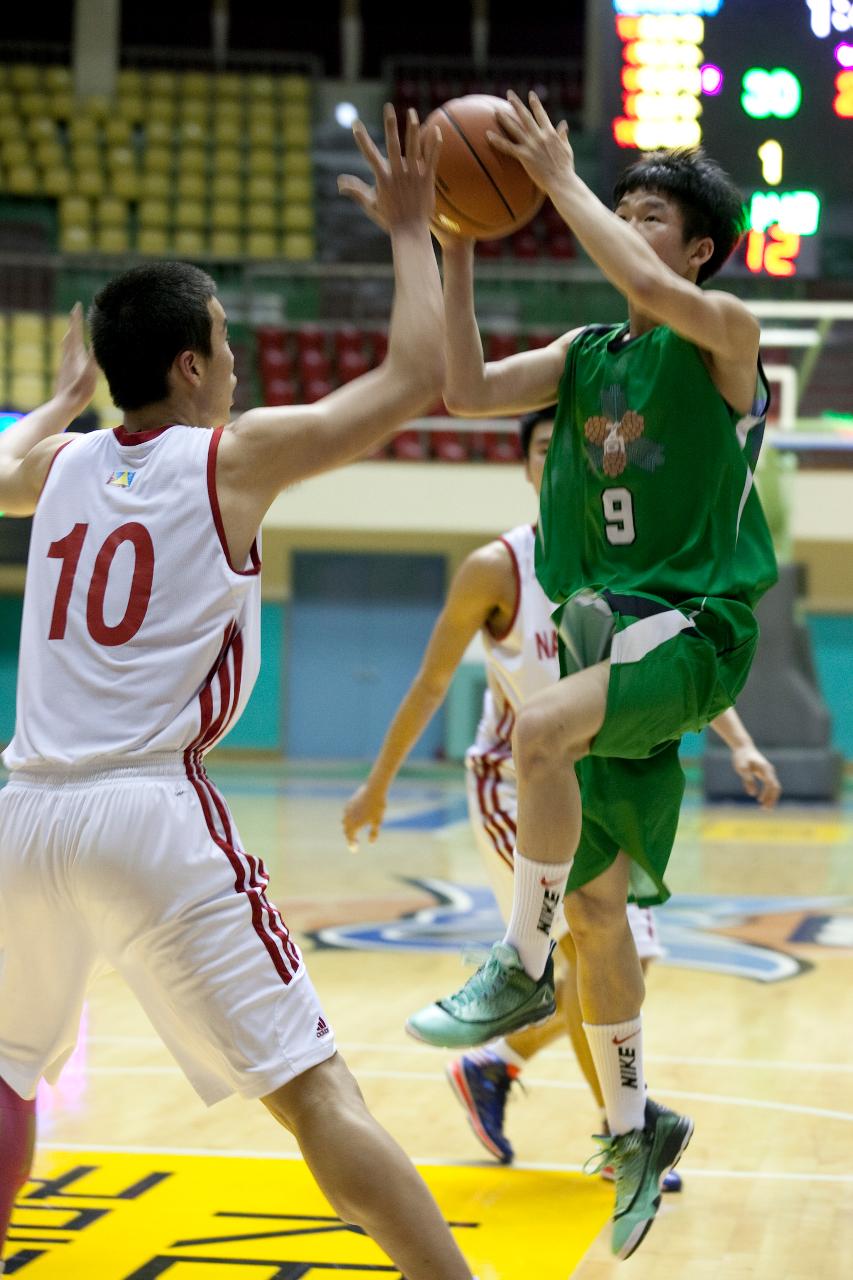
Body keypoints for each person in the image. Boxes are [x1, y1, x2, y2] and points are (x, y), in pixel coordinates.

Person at [0, 108, 476, 1280]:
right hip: (149, 814)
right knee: (319, 1091)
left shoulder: (54, 469)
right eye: (224, 342)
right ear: (191, 366)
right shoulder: (231, 454)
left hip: (21, 816)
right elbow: (416, 375)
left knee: (5, 1070)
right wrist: (413, 232)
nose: (238, 363)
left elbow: (7, 466)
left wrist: (66, 400)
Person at [402, 92, 779, 1259]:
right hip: (601, 635)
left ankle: (515, 961)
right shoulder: (582, 359)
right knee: (602, 911)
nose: (623, 222)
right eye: (619, 206)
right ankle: (632, 1123)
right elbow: (461, 389)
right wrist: (454, 244)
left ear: (701, 246)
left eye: (648, 213)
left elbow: (658, 293)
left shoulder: (720, 332)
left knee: (534, 733)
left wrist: (558, 181)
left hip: (690, 624)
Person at [343, 406, 779, 1183]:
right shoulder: (496, 567)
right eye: (543, 448)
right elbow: (431, 681)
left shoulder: (630, 562)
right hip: (516, 782)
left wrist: (739, 742)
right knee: (590, 943)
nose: (556, 462)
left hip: (603, 771)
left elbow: (667, 667)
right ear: (525, 465)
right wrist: (377, 785)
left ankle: (499, 1065)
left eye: (568, 450)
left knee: (618, 957)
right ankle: (625, 1132)